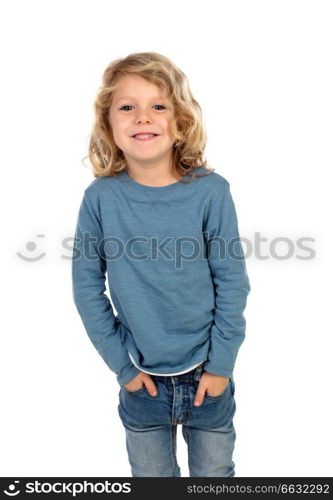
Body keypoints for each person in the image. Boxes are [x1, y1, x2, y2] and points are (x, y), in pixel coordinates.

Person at [72, 52, 251, 477]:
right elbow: (86, 287)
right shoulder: (99, 199)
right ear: (109, 125)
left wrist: (221, 365)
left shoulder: (212, 192)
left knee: (214, 480)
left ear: (180, 121)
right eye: (127, 107)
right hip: (141, 380)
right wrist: (123, 367)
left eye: (158, 106)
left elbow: (232, 282)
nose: (143, 118)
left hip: (208, 377)